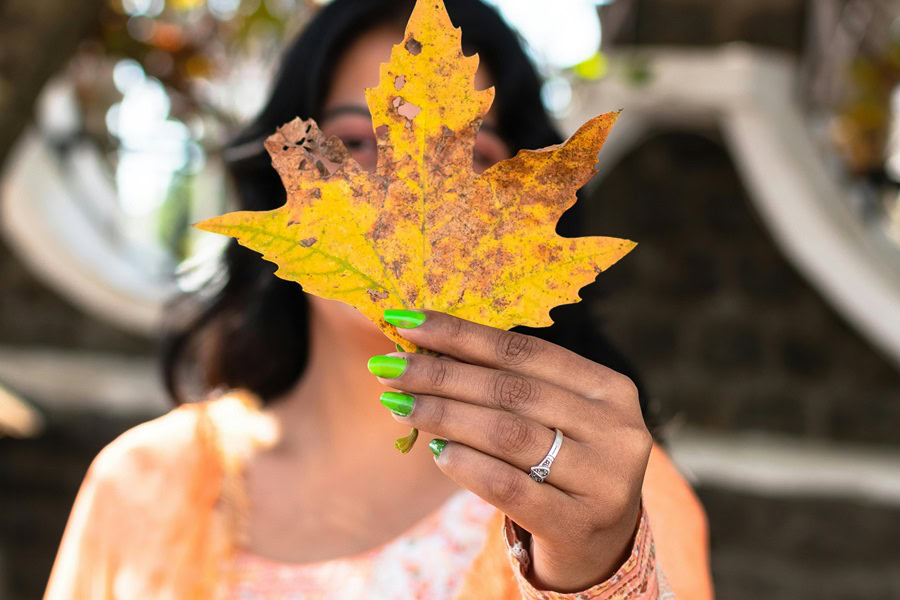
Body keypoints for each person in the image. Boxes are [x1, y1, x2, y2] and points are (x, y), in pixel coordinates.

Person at [44, 1, 712, 598]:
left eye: (471, 155)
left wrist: (605, 577)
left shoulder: (604, 502)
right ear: (283, 185)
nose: (397, 192)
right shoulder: (139, 486)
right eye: (356, 144)